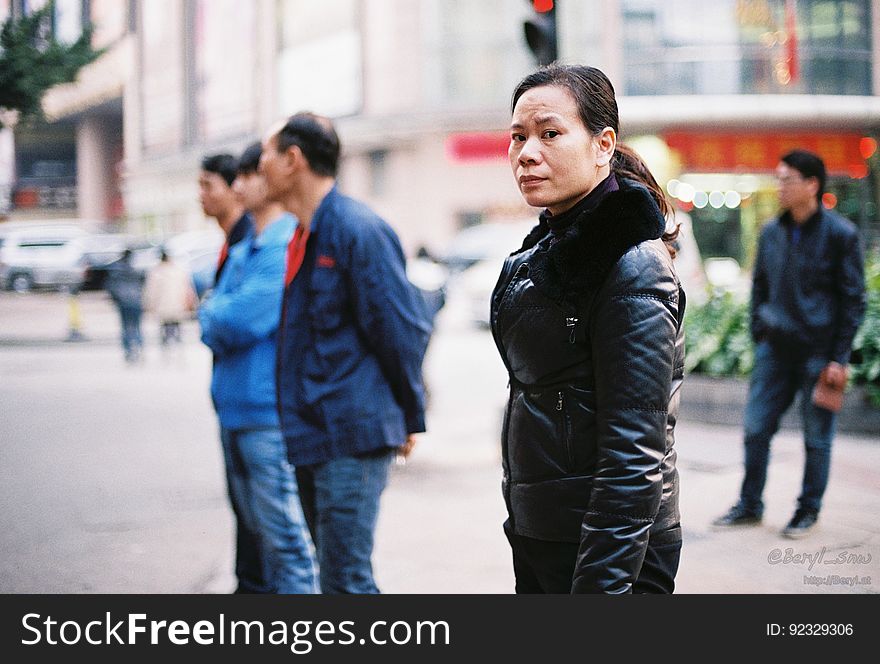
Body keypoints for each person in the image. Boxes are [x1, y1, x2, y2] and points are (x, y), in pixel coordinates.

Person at [490, 64, 685, 594]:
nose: (527, 152)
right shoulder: (549, 247)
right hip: (547, 532)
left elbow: (634, 454)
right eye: (518, 137)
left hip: (610, 552)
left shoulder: (631, 267)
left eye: (550, 134)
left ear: (603, 145)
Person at [259, 113, 432, 594]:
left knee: (345, 581)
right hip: (313, 430)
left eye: (265, 157)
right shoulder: (301, 234)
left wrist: (408, 417)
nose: (259, 169)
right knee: (336, 576)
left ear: (293, 160)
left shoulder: (359, 229)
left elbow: (402, 329)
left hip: (352, 433)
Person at [713, 150, 866, 538]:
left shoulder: (841, 235)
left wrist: (839, 357)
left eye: (787, 179)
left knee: (817, 439)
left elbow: (853, 299)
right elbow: (759, 286)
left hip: (819, 354)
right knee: (755, 430)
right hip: (775, 351)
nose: (780, 185)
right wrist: (759, 331)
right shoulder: (771, 232)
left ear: (812, 185)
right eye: (779, 178)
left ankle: (807, 510)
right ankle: (750, 504)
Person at [199, 142, 317, 593]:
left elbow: (241, 318)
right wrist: (214, 314)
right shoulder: (249, 244)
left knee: (285, 542)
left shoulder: (283, 241)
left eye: (248, 176)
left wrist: (213, 313)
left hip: (267, 415)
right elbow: (215, 318)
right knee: (259, 537)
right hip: (235, 410)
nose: (240, 185)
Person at [197, 152, 265, 593]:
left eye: (209, 185)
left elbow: (236, 318)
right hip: (236, 401)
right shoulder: (236, 240)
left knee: (273, 529)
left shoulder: (257, 240)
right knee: (249, 516)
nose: (202, 195)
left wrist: (208, 311)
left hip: (260, 407)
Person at [198, 153, 253, 285]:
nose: (201, 195)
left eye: (208, 186)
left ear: (234, 187)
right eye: (201, 186)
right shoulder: (231, 238)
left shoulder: (249, 237)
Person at [143, 250, 196, 355]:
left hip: (162, 308)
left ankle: (166, 351)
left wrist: (149, 306)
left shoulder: (155, 273)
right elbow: (188, 289)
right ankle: (179, 350)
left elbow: (151, 292)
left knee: (164, 330)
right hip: (178, 306)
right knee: (177, 329)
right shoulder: (179, 271)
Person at [105, 249, 146, 364]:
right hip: (136, 301)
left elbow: (111, 287)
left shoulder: (115, 270)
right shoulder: (137, 269)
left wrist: (115, 298)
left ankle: (128, 351)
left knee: (125, 327)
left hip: (123, 302)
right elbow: (143, 284)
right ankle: (139, 348)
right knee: (137, 326)